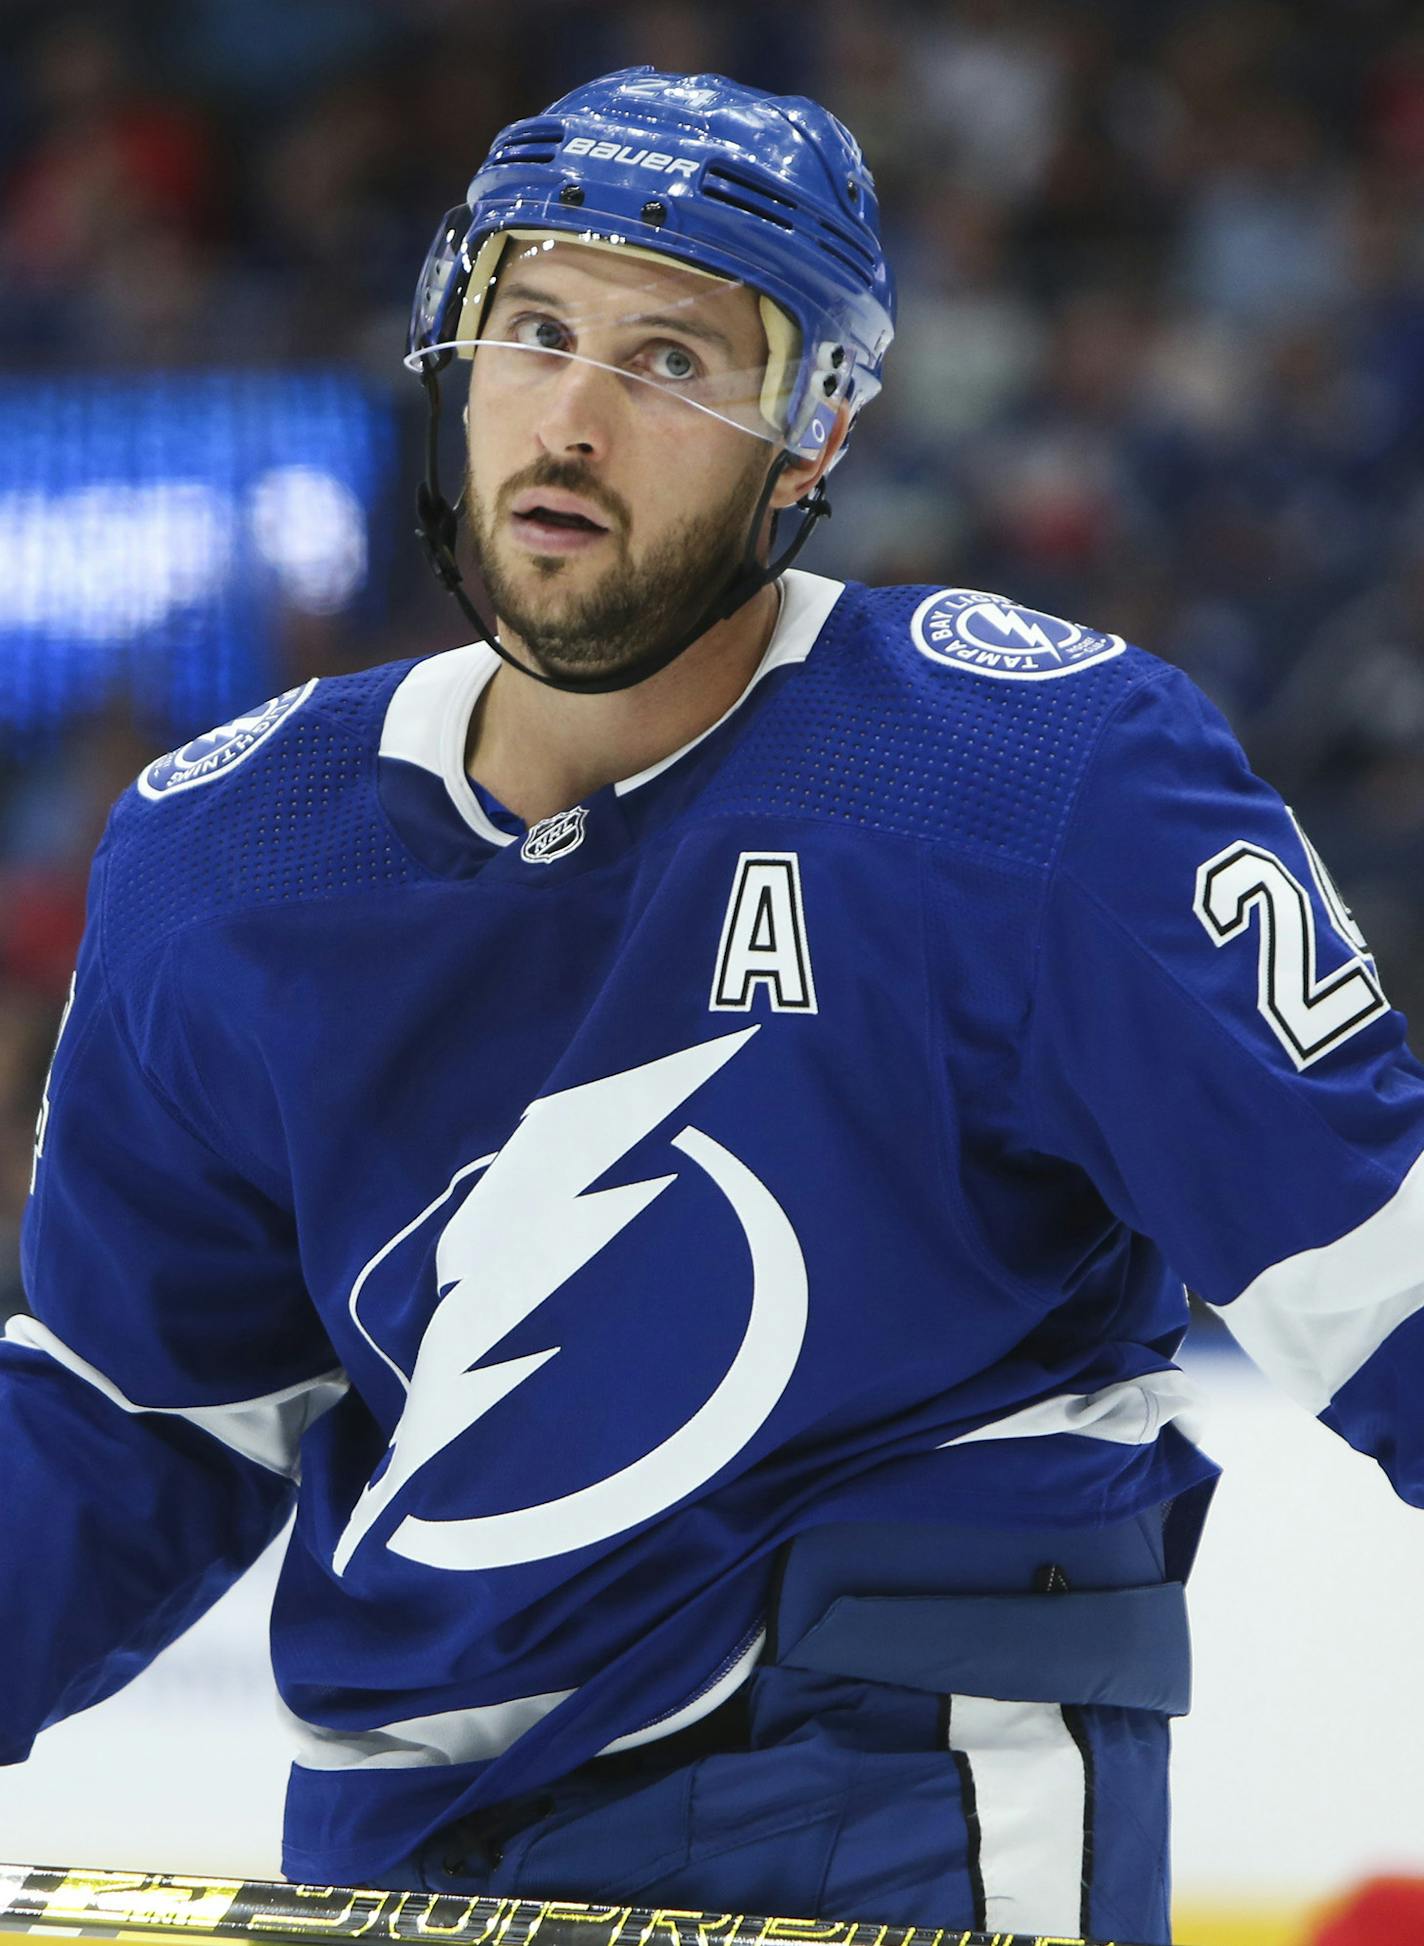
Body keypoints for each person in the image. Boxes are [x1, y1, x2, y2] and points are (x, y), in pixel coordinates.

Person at [3, 66, 1422, 1946]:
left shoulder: (1042, 780)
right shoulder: (224, 855)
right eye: (536, 331)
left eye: (674, 358)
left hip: (888, 1807)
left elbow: (1386, 1282)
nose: (576, 416)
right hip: (399, 1844)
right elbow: (137, 1418)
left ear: (813, 433)